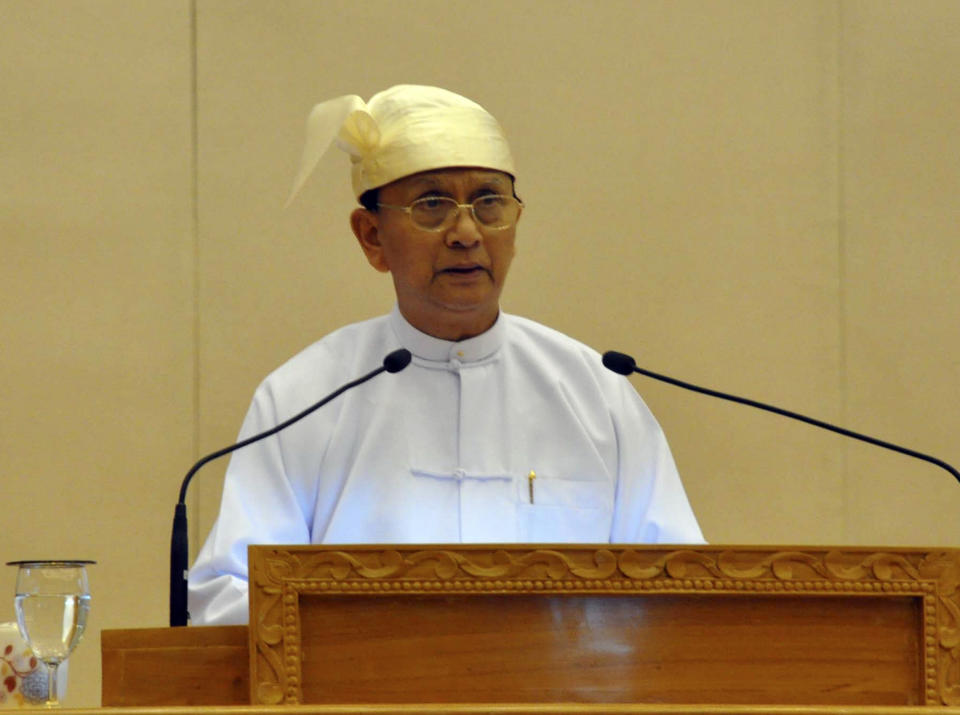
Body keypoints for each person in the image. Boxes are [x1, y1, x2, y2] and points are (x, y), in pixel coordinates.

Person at [188, 85, 703, 626]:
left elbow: (683, 592)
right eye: (432, 206)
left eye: (488, 204)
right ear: (372, 237)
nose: (466, 233)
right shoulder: (305, 396)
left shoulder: (596, 391)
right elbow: (229, 595)